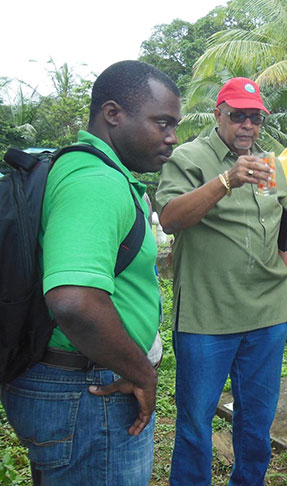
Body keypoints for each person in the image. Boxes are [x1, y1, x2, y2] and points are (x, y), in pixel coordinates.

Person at [0, 60, 181, 485]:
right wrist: (141, 372)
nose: (172, 137)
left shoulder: (83, 169)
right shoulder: (95, 182)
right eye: (162, 123)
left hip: (73, 386)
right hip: (88, 392)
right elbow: (75, 299)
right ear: (113, 114)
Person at [155, 77, 287, 486]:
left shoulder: (274, 166)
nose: (248, 126)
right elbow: (169, 219)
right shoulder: (189, 157)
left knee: (257, 421)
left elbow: (284, 235)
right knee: (195, 423)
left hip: (267, 314)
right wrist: (227, 181)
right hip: (209, 317)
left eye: (254, 118)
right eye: (238, 116)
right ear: (218, 114)